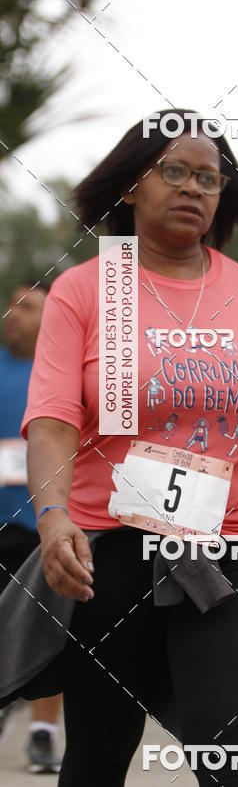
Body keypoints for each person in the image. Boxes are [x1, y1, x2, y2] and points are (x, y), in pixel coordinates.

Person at [4, 110, 238, 787]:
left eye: (210, 179)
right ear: (132, 184)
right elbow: (51, 420)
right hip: (109, 553)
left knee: (233, 761)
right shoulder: (85, 289)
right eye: (175, 171)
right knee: (97, 757)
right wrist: (52, 515)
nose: (194, 188)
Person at [0, 282, 63, 773]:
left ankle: (43, 733)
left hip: (48, 521)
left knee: (52, 629)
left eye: (27, 306)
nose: (12, 313)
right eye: (11, 305)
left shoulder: (63, 368)